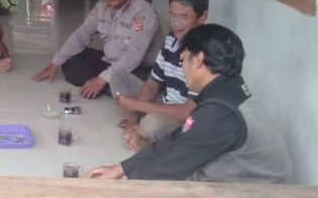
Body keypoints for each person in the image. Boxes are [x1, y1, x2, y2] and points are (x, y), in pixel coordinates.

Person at [86, 24, 292, 183]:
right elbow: (179, 138)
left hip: (256, 197)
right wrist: (122, 169)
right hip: (242, 185)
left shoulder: (220, 113)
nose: (182, 66)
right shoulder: (226, 91)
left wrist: (118, 190)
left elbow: (169, 168)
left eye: (183, 59)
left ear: (198, 59)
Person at [31, 0, 163, 99]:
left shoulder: (143, 12)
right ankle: (110, 87)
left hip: (139, 68)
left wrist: (101, 79)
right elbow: (81, 34)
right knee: (71, 61)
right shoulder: (102, 6)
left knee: (122, 81)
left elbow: (133, 56)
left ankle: (110, 86)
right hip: (110, 61)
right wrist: (55, 63)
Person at [113, 0, 209, 152]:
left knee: (151, 125)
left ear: (202, 17)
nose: (176, 23)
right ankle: (138, 125)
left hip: (184, 116)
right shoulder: (171, 40)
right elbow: (151, 85)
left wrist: (137, 106)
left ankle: (149, 140)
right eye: (172, 15)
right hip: (164, 102)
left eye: (184, 17)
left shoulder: (205, 52)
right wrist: (134, 118)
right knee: (118, 77)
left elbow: (187, 112)